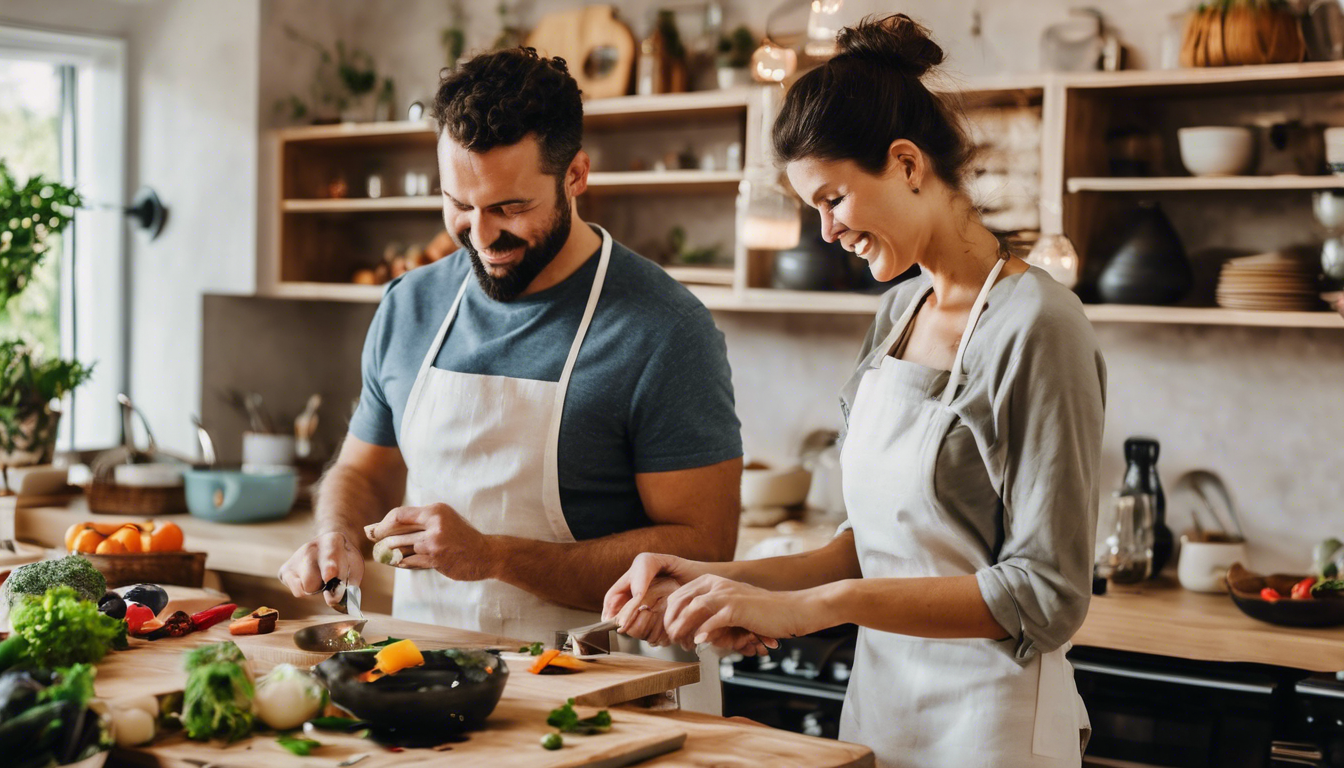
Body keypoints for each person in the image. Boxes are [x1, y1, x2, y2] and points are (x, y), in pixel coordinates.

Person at [604, 15, 1107, 767]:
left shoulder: (1038, 325)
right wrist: (717, 580)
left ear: (907, 164)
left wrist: (810, 611)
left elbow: (1046, 594)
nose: (827, 230)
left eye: (833, 198)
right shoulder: (899, 312)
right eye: (814, 208)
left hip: (993, 726)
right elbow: (868, 549)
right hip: (884, 707)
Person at [278, 47, 743, 711]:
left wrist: (495, 557)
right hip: (427, 688)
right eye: (459, 205)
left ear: (576, 175)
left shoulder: (663, 328)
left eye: (510, 207)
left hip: (607, 700)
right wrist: (336, 537)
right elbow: (362, 472)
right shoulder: (410, 306)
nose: (482, 235)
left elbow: (704, 550)